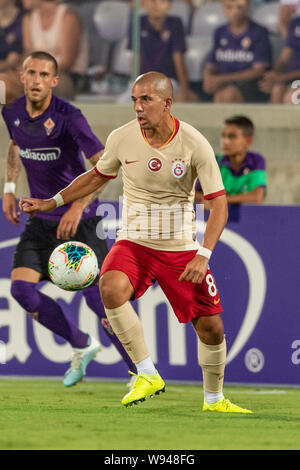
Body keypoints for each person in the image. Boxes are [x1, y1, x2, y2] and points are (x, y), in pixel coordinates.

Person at [19, 71, 252, 414]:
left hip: (179, 248)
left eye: (146, 100)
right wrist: (51, 202)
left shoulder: (194, 143)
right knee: (110, 287)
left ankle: (214, 400)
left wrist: (203, 253)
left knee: (212, 329)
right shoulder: (122, 137)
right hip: (135, 242)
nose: (138, 107)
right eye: (134, 100)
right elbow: (97, 175)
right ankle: (146, 372)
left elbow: (218, 202)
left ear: (167, 103)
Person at [1, 50, 137, 387]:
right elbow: (16, 145)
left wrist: (78, 206)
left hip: (81, 221)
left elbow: (105, 166)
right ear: (22, 76)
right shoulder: (12, 111)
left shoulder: (69, 117)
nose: (36, 80)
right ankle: (81, 345)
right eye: (31, 73)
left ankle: (140, 372)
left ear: (55, 81)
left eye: (44, 75)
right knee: (22, 291)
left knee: (100, 301)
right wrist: (8, 187)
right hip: (41, 220)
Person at [127, 0, 198, 102]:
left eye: (162, 1)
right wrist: (136, 83)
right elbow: (136, 57)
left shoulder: (175, 23)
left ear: (169, 5)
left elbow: (178, 59)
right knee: (123, 102)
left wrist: (184, 89)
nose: (156, 5)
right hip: (143, 82)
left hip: (168, 81)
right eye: (152, 1)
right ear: (144, 3)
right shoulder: (138, 23)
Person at [202, 0, 272, 103]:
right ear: (223, 7)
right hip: (224, 83)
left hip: (249, 85)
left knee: (229, 94)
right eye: (229, 7)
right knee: (220, 94)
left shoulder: (259, 32)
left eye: (239, 7)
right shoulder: (219, 32)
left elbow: (259, 70)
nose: (234, 12)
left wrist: (221, 79)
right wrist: (208, 78)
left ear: (247, 7)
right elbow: (211, 64)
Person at [22, 0, 89, 100]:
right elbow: (28, 56)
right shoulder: (28, 19)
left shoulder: (68, 17)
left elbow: (67, 62)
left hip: (67, 76)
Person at [195, 115, 267, 205]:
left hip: (247, 217)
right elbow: (193, 193)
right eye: (223, 136)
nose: (225, 141)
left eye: (232, 137)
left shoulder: (256, 161)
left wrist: (218, 200)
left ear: (248, 141)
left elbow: (256, 197)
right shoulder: (214, 162)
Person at [259, 16, 300, 104]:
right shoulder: (296, 23)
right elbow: (285, 57)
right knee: (277, 89)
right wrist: (273, 74)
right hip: (292, 78)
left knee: (292, 97)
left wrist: (282, 77)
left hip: (291, 78)